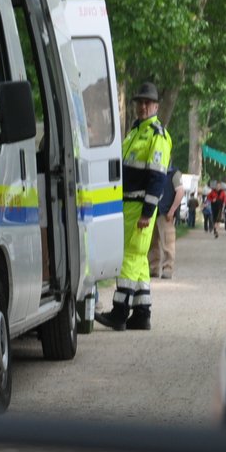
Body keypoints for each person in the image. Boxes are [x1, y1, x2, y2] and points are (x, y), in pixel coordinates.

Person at [96, 82, 172, 331]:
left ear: (156, 106)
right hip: (130, 204)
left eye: (147, 103)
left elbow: (157, 177)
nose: (142, 106)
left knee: (127, 256)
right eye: (139, 102)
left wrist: (147, 213)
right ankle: (142, 313)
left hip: (138, 206)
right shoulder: (135, 131)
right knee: (138, 260)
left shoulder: (156, 135)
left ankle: (119, 313)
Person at [148, 166, 184, 279]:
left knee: (168, 242)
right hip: (153, 211)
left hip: (165, 211)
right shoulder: (153, 170)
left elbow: (180, 191)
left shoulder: (174, 173)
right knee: (151, 243)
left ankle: (167, 268)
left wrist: (172, 210)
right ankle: (153, 268)